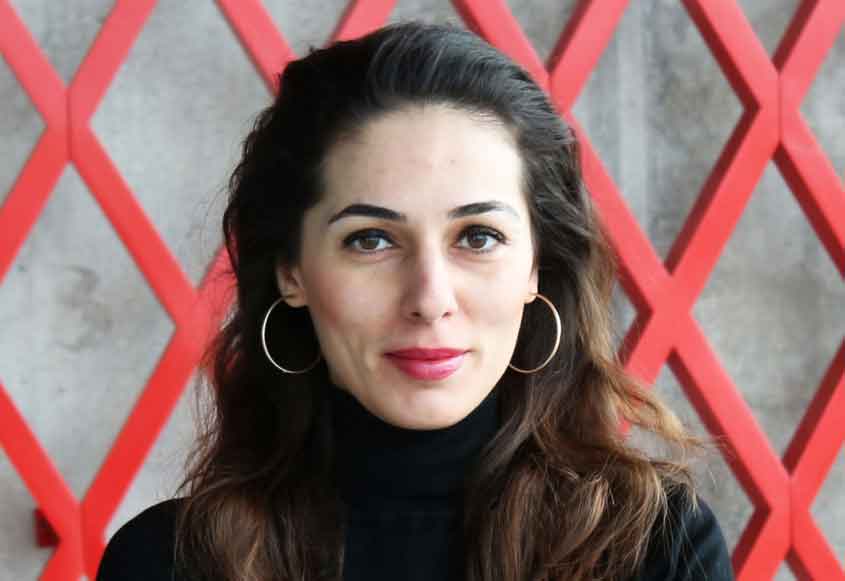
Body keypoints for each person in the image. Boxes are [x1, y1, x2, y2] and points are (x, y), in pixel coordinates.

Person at [96, 20, 734, 581]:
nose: (430, 299)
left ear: (536, 266)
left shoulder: (655, 548)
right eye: (370, 240)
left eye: (478, 237)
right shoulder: (169, 563)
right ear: (292, 271)